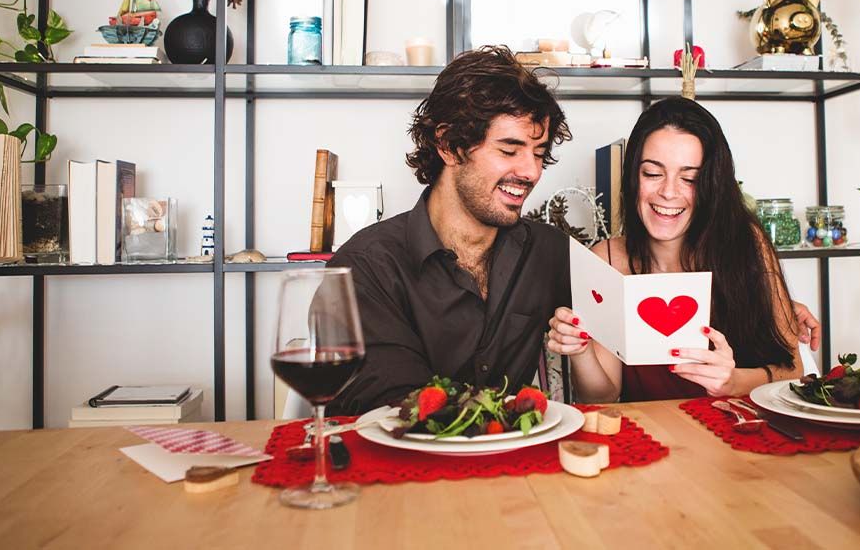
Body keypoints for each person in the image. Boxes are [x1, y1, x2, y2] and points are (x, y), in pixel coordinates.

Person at [325, 46, 572, 414]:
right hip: (405, 467)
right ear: (449, 146)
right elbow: (397, 408)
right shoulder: (366, 268)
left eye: (538, 153)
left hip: (510, 463)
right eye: (509, 150)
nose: (532, 172)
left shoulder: (551, 253)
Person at [546, 96, 812, 402]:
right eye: (653, 173)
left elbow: (793, 370)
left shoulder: (747, 243)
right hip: (652, 438)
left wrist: (734, 382)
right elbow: (601, 396)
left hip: (737, 436)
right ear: (633, 177)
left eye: (690, 178)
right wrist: (579, 351)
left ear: (711, 186)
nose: (669, 192)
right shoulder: (605, 260)